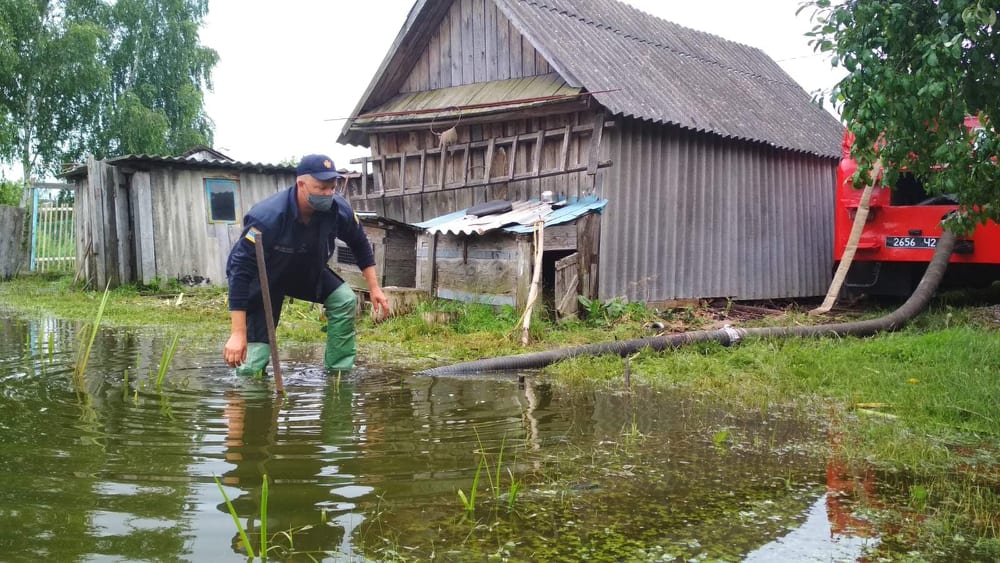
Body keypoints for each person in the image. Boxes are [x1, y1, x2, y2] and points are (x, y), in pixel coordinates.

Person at [223, 154, 390, 374]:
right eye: (321, 188)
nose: (328, 193)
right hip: (264, 279)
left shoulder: (338, 209)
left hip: (305, 272)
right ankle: (247, 397)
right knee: (254, 362)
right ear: (301, 184)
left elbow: (360, 243)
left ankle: (337, 374)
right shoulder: (268, 217)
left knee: (344, 299)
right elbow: (240, 270)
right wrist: (238, 333)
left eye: (332, 187)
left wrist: (374, 287)